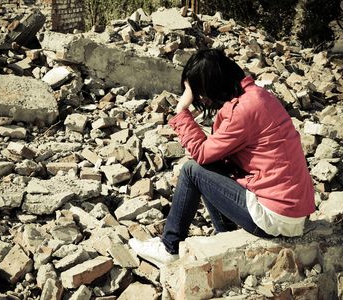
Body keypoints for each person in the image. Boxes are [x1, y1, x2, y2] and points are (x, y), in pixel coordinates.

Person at [129, 48, 315, 268]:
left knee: (192, 171)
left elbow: (200, 154)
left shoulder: (244, 110)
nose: (200, 99)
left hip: (275, 217)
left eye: (199, 92)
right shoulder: (258, 96)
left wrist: (181, 110)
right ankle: (225, 234)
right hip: (292, 211)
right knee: (212, 165)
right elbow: (214, 156)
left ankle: (169, 247)